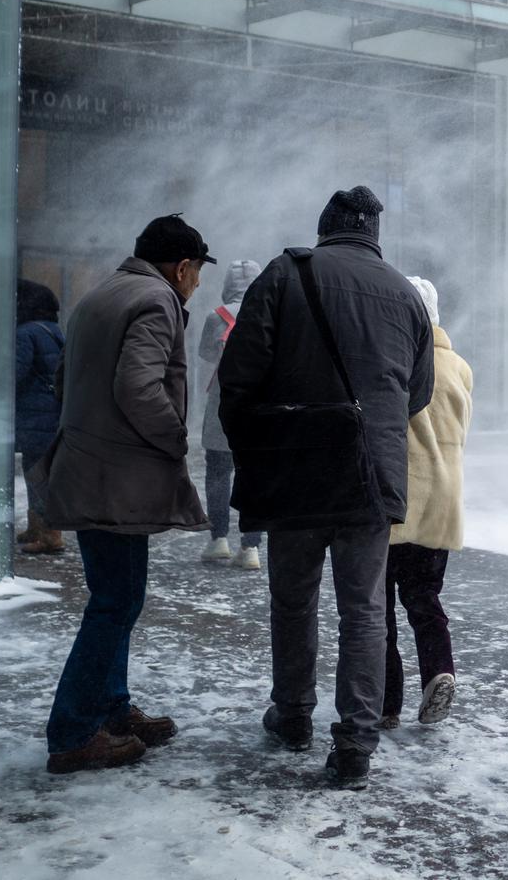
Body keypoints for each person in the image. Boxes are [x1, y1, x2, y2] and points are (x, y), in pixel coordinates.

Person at [218, 186, 434, 789]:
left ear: (325, 229)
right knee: (365, 609)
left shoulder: (286, 274)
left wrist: (256, 439)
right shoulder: (404, 293)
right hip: (372, 473)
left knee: (294, 599)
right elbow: (418, 392)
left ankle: (292, 717)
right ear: (374, 235)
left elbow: (239, 375)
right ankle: (356, 743)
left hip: (296, 466)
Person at [35, 214, 213, 775]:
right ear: (182, 267)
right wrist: (174, 436)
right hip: (117, 482)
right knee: (114, 604)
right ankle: (73, 732)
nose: (198, 285)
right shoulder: (156, 300)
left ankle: (110, 709)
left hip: (89, 472)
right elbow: (138, 386)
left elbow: (62, 383)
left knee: (117, 598)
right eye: (197, 273)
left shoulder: (99, 295)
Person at [381, 277, 473, 731]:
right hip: (442, 502)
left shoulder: (395, 360)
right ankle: (440, 669)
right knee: (424, 597)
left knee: (376, 608)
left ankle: (386, 701)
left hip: (396, 501)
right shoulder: (459, 367)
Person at [198, 259, 263, 569]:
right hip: (260, 407)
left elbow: (206, 354)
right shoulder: (268, 313)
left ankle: (219, 540)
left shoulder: (216, 317)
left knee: (218, 474)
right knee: (254, 477)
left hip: (223, 407)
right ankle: (250, 547)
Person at [15, 279, 65, 554]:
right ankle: (38, 527)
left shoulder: (25, 333)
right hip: (52, 413)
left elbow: (16, 374)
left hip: (35, 415)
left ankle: (48, 533)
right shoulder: (54, 330)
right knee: (41, 471)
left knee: (36, 473)